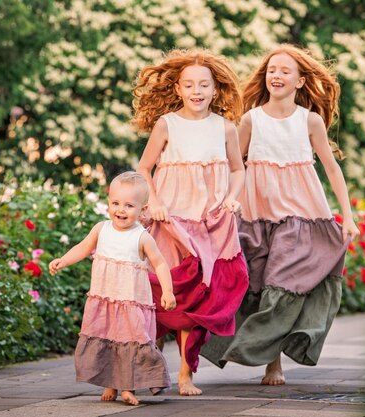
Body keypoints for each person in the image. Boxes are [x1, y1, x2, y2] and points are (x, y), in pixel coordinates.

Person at [201, 44, 360, 385]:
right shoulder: (251, 119)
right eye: (272, 69)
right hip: (256, 214)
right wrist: (222, 201)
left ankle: (273, 363)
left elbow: (332, 171)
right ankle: (260, 355)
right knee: (257, 285)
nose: (277, 75)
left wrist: (347, 216)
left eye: (285, 71)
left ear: (301, 81)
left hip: (301, 217)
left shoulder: (310, 121)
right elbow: (233, 166)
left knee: (282, 284)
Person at [134, 49, 250, 396]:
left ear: (216, 89)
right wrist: (153, 201)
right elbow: (143, 168)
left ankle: (186, 374)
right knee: (158, 294)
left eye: (204, 84)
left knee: (198, 302)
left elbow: (237, 169)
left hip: (210, 223)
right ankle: (146, 368)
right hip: (170, 222)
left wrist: (232, 197)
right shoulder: (167, 124)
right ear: (178, 89)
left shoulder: (225, 127)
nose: (197, 90)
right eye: (189, 84)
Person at [49, 171, 176, 406]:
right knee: (108, 339)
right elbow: (83, 248)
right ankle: (111, 383)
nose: (121, 210)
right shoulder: (101, 229)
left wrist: (167, 291)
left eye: (129, 205)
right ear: (108, 203)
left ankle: (127, 387)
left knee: (129, 340)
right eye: (115, 203)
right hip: (105, 300)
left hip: (130, 303)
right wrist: (63, 260)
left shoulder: (142, 237)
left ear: (143, 210)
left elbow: (160, 263)